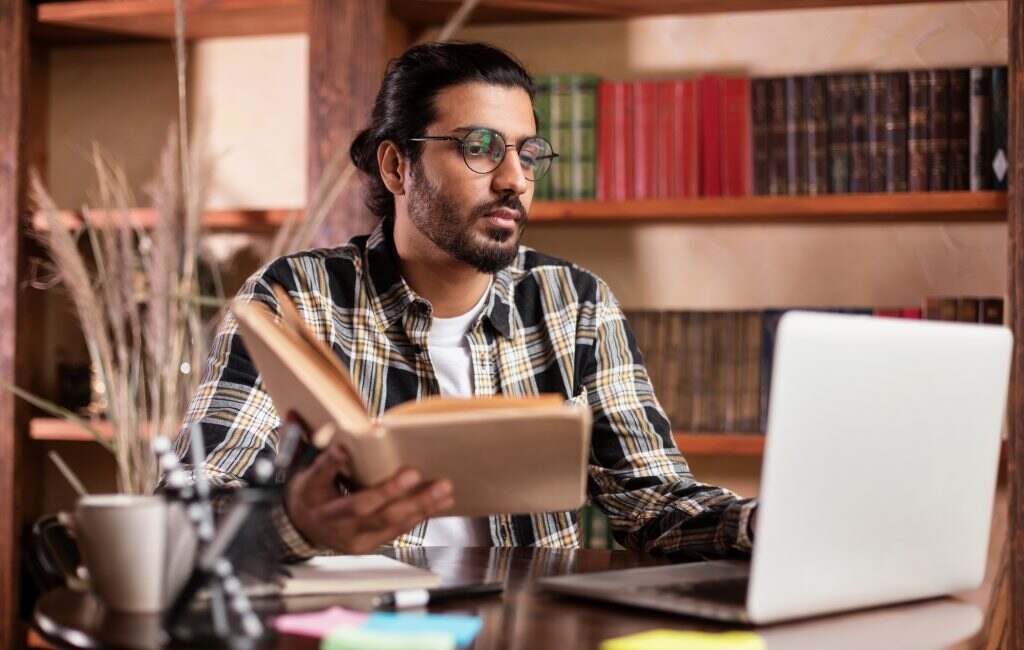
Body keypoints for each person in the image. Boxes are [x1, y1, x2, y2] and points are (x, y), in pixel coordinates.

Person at [178, 41, 756, 562]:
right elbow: (189, 507)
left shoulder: (577, 304)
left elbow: (652, 504)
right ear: (397, 166)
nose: (514, 180)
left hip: (527, 629)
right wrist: (295, 525)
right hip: (362, 628)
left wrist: (760, 523)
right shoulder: (295, 298)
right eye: (480, 147)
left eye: (527, 153)